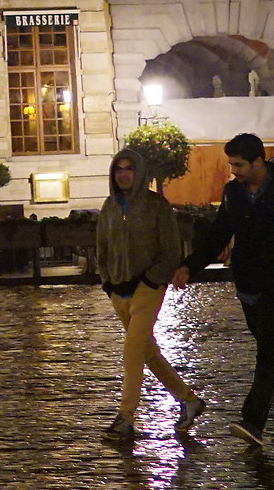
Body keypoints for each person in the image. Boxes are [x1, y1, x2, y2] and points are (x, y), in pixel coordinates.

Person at [180, 133, 274, 449]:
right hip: (247, 283)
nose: (233, 171)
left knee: (267, 351)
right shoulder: (233, 193)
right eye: (232, 164)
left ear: (258, 161)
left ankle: (253, 421)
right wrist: (190, 267)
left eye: (239, 165)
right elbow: (219, 235)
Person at [97, 149, 206, 442]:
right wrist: (107, 281)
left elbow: (171, 249)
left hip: (147, 287)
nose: (124, 174)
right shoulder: (109, 206)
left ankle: (125, 417)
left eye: (130, 168)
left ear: (140, 172)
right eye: (119, 169)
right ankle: (189, 400)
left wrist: (151, 278)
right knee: (149, 352)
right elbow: (101, 248)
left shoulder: (157, 206)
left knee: (132, 351)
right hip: (119, 290)